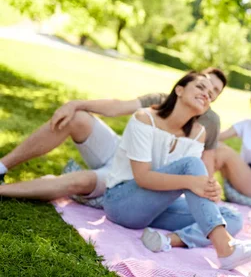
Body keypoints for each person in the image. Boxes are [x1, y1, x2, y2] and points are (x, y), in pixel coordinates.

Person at [102, 71, 251, 270]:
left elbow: (196, 180)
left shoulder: (199, 133)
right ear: (179, 90)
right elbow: (143, 177)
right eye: (200, 87)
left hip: (158, 207)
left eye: (210, 93)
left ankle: (166, 240)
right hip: (122, 203)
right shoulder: (145, 118)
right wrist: (192, 182)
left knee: (232, 217)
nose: (206, 94)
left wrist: (209, 187)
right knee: (191, 165)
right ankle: (226, 249)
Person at [0, 68, 227, 204]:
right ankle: (2, 166)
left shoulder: (208, 124)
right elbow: (117, 107)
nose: (207, 92)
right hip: (120, 151)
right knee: (77, 117)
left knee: (80, 181)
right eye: (203, 84)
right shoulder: (161, 99)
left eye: (214, 92)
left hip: (132, 179)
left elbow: (203, 166)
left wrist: (203, 190)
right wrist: (75, 104)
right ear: (186, 85)